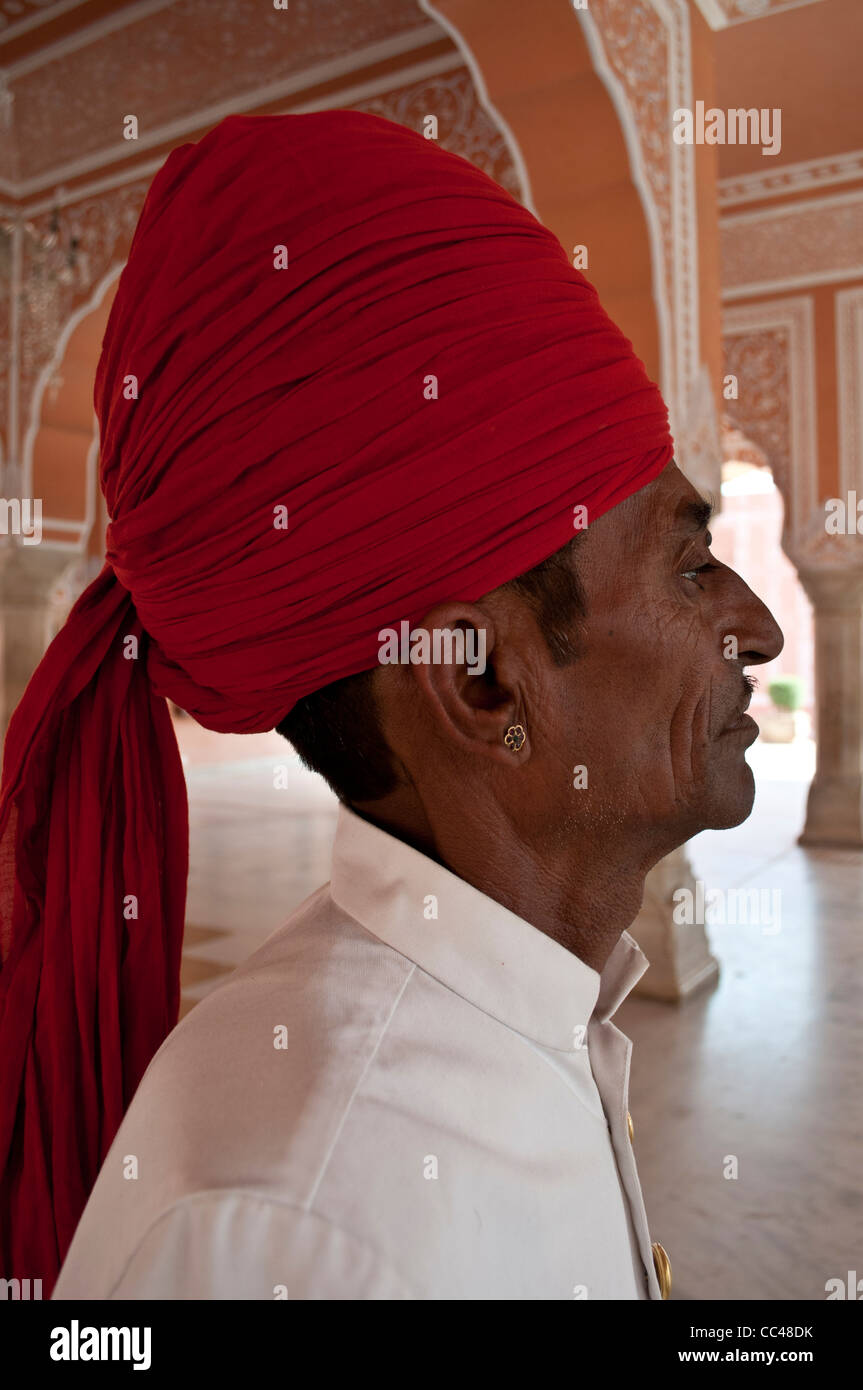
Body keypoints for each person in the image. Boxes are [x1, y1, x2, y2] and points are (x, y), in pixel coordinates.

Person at [0, 110, 782, 1300]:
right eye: (687, 568)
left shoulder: (518, 1027)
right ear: (478, 681)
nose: (757, 628)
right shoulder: (306, 1230)